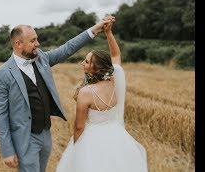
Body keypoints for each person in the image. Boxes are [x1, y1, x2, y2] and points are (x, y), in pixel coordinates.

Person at [0, 16, 113, 172]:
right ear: (18, 44)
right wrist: (7, 151)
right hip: (25, 139)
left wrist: (95, 29)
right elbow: (0, 115)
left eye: (36, 39)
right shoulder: (1, 74)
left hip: (45, 135)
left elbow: (68, 47)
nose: (38, 44)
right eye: (33, 41)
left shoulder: (41, 58)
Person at [55, 15, 148, 172]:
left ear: (96, 68)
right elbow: (116, 56)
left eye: (86, 61)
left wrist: (76, 150)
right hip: (116, 135)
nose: (82, 63)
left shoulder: (86, 92)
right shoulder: (115, 79)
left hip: (91, 140)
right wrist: (109, 33)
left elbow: (79, 126)